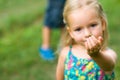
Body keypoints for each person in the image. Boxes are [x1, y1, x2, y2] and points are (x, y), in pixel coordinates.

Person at [56, 0, 117, 79]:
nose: (87, 34)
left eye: (93, 25)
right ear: (70, 32)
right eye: (78, 29)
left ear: (103, 24)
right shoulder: (66, 53)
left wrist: (96, 55)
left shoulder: (108, 54)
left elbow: (109, 66)